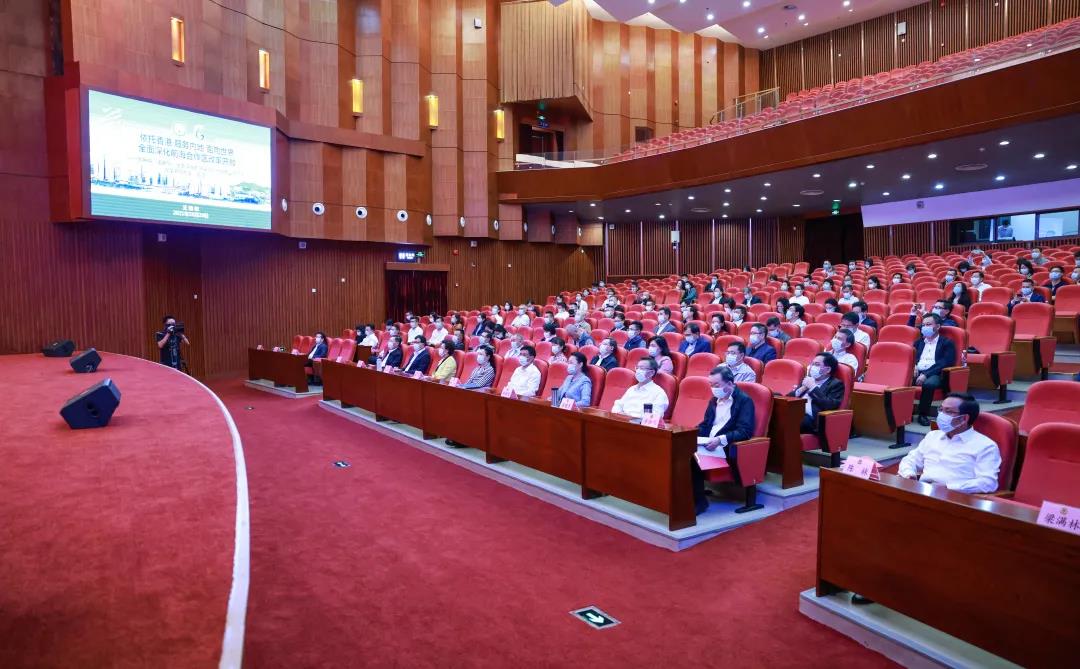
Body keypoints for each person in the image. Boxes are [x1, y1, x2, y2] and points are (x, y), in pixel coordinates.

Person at [898, 393, 1001, 493]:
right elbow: (910, 460)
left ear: (964, 418)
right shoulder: (933, 436)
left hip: (955, 497)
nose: (941, 415)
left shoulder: (985, 446)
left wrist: (949, 488)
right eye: (941, 409)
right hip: (923, 491)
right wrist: (909, 475)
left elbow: (988, 483)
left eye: (948, 411)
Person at [691, 366, 755, 515]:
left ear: (730, 383)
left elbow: (745, 431)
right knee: (680, 449)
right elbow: (706, 425)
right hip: (708, 443)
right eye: (711, 385)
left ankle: (699, 503)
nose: (713, 389)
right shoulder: (714, 400)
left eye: (717, 385)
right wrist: (690, 435)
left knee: (691, 458)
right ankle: (687, 496)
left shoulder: (744, 401)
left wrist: (719, 440)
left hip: (727, 447)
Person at [913, 313, 957, 426]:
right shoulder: (918, 342)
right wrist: (913, 366)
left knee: (929, 384)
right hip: (917, 371)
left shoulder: (947, 343)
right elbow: (911, 357)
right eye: (923, 325)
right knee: (899, 379)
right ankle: (903, 411)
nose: (925, 327)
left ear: (937, 326)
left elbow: (945, 362)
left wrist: (926, 374)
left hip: (936, 373)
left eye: (928, 324)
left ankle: (922, 414)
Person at [789, 353, 845, 434]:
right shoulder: (808, 379)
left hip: (812, 419)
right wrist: (802, 389)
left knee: (790, 421)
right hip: (795, 411)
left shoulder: (836, 384)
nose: (812, 367)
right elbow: (788, 397)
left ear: (828, 370)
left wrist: (813, 388)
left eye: (817, 364)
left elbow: (830, 405)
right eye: (812, 364)